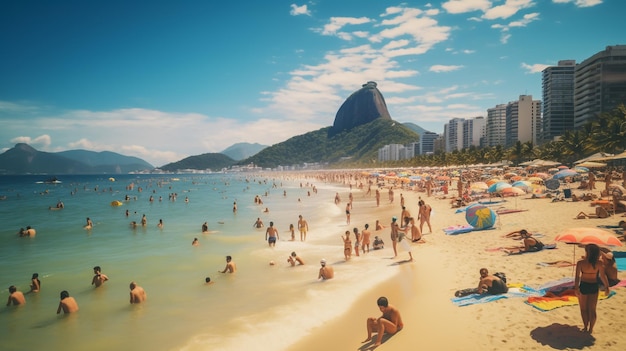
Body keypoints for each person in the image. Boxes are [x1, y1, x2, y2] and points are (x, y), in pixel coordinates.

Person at [575, 243, 610, 333]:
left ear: (587, 252)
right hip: (594, 285)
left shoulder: (580, 263)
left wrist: (576, 288)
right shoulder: (599, 263)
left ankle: (585, 327)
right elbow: (603, 276)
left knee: (583, 308)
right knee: (592, 309)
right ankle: (591, 329)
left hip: (584, 285)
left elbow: (577, 277)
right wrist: (607, 287)